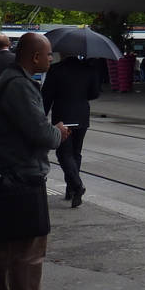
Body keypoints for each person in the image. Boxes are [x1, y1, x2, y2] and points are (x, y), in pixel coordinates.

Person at [0, 32, 71, 290]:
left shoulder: (7, 79)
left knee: (3, 246)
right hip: (22, 175)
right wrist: (57, 132)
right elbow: (40, 133)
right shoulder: (21, 84)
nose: (50, 59)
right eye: (48, 55)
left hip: (4, 172)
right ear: (35, 57)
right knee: (28, 250)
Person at [42, 53, 100, 207]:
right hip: (82, 115)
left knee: (63, 153)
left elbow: (47, 95)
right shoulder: (89, 69)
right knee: (75, 153)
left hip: (63, 115)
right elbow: (95, 93)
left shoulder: (56, 69)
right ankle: (71, 190)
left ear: (63, 53)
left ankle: (76, 185)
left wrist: (42, 115)